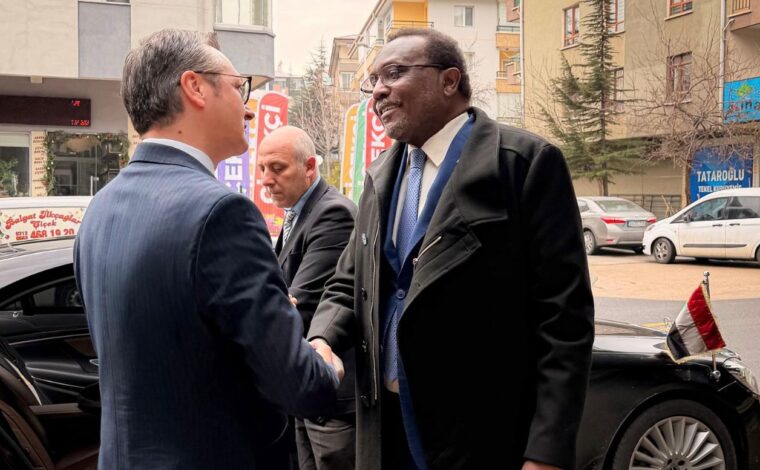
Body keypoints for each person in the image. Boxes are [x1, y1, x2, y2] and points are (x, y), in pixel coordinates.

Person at [308, 28, 595, 470]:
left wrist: (546, 452)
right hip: (384, 430)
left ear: (449, 81)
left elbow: (564, 320)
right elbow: (349, 281)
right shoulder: (380, 175)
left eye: (394, 73)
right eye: (373, 81)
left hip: (481, 436)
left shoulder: (523, 164)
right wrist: (323, 337)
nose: (378, 91)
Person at [73, 29, 342, 470]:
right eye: (239, 88)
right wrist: (325, 365)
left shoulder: (100, 208)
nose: (248, 107)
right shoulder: (221, 213)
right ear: (195, 87)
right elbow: (298, 385)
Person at [257, 126, 358, 470]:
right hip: (306, 392)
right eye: (262, 168)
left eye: (277, 168)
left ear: (310, 167)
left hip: (333, 396)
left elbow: (298, 304)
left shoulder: (333, 214)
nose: (266, 180)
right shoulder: (298, 213)